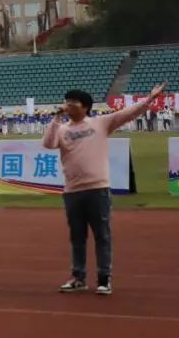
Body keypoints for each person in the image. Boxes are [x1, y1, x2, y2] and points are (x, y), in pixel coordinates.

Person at [42, 82, 166, 296]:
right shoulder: (62, 129)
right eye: (67, 103)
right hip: (72, 191)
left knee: (102, 235)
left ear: (85, 107)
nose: (68, 106)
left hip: (97, 189)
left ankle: (104, 278)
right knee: (77, 237)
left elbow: (127, 113)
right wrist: (55, 119)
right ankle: (78, 277)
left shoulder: (100, 123)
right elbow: (48, 144)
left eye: (73, 103)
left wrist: (149, 99)